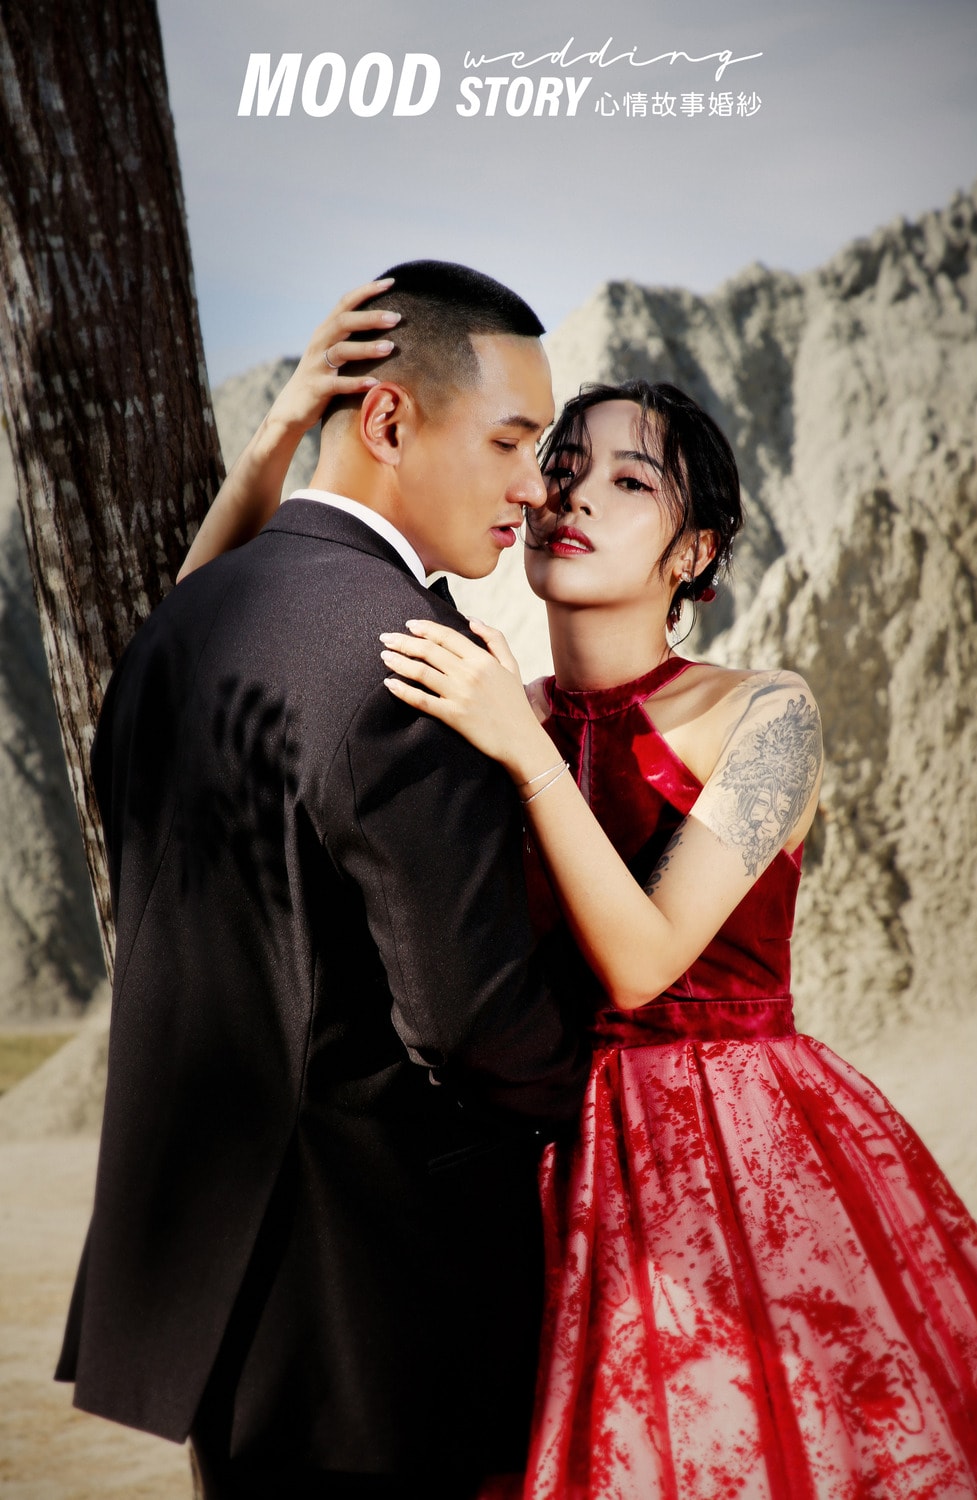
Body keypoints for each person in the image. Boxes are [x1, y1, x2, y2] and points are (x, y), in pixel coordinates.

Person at [379, 382, 977, 1497]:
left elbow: (644, 961)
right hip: (533, 1146)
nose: (575, 496)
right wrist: (282, 438)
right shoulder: (498, 708)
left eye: (629, 481)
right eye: (561, 467)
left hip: (737, 1154)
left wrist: (521, 750)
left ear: (694, 551)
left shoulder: (766, 712)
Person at [56, 263, 590, 1500]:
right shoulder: (413, 661)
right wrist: (611, 1081)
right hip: (385, 1316)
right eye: (510, 440)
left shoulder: (177, 633)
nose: (532, 485)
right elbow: (470, 1025)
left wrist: (277, 436)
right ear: (390, 420)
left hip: (221, 1302)